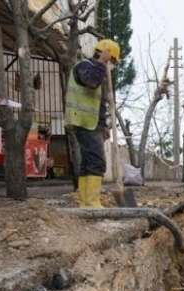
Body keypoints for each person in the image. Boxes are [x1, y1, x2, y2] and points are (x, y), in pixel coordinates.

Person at [64, 39, 119, 208]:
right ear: (106, 53)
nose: (112, 65)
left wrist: (104, 126)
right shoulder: (85, 66)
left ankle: (85, 203)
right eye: (113, 61)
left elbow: (97, 104)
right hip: (84, 122)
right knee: (97, 162)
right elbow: (92, 81)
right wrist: (102, 61)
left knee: (88, 162)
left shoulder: (95, 69)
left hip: (92, 123)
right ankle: (92, 203)